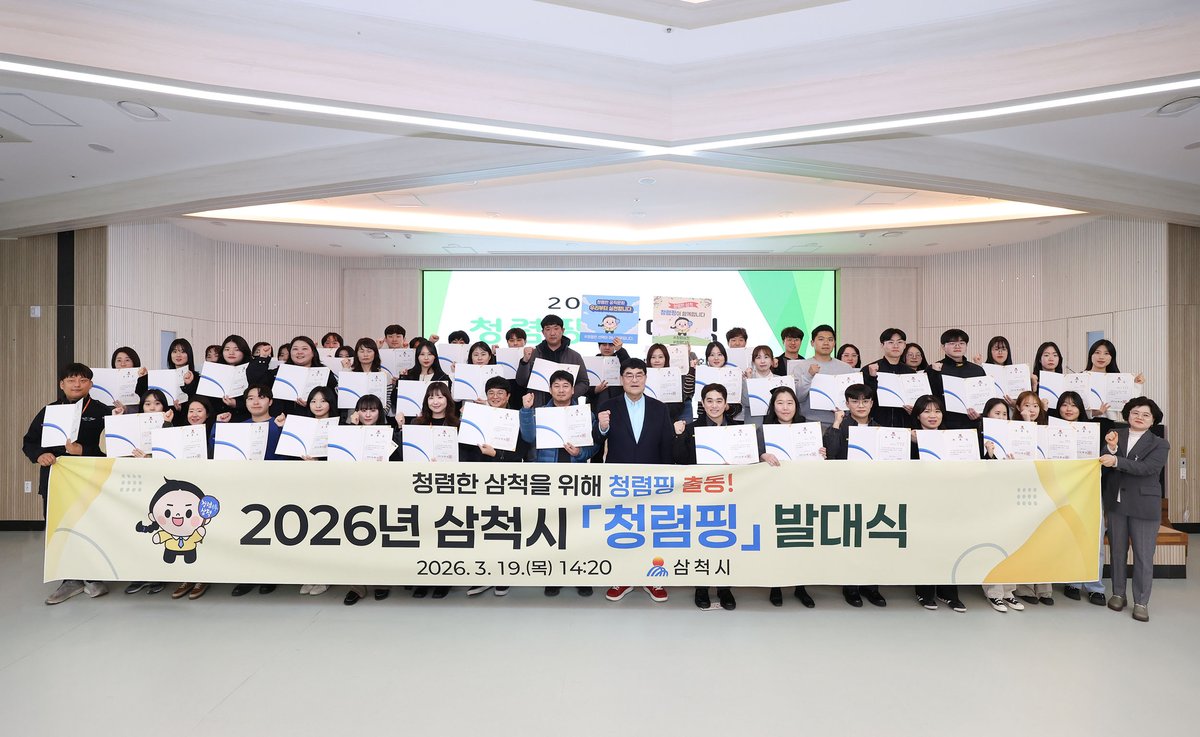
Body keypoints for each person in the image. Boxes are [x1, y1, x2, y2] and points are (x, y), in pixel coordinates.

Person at [23, 363, 123, 605]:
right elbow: (29, 441)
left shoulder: (102, 411)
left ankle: (93, 576)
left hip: (91, 478)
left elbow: (114, 448)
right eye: (71, 380)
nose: (77, 384)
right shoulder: (49, 411)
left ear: (90, 384)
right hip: (56, 477)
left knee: (92, 525)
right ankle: (70, 580)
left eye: (82, 380)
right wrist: (39, 455)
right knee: (60, 528)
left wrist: (83, 450)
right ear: (62, 384)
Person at [595, 359, 673, 604]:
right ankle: (623, 577)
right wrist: (602, 427)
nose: (634, 379)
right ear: (621, 379)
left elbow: (667, 446)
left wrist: (667, 481)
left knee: (651, 529)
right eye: (629, 375)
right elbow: (596, 440)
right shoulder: (608, 406)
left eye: (639, 374)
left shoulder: (660, 408)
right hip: (619, 480)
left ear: (646, 378)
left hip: (652, 480)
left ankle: (653, 578)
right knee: (622, 530)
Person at [518, 370, 596, 598]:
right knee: (551, 529)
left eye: (565, 386)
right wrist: (526, 410)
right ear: (550, 389)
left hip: (575, 480)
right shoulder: (540, 412)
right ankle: (554, 575)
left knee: (577, 530)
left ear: (573, 389)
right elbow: (529, 438)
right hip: (548, 479)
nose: (561, 390)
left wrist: (580, 453)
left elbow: (593, 447)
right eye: (556, 386)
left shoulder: (584, 414)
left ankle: (581, 575)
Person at [759, 385, 836, 607]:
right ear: (773, 406)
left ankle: (800, 586)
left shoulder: (809, 429)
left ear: (796, 405)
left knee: (800, 539)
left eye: (789, 403)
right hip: (774, 492)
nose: (785, 407)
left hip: (802, 491)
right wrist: (762, 455)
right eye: (780, 403)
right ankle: (775, 586)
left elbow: (821, 462)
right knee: (776, 539)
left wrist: (822, 453)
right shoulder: (763, 430)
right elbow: (751, 458)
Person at [1100, 397, 1169, 622]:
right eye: (1135, 412)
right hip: (1116, 503)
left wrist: (1116, 461)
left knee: (1143, 555)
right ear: (1128, 414)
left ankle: (1141, 601)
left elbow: (1148, 468)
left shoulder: (1160, 443)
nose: (1139, 417)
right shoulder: (1114, 434)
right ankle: (1118, 594)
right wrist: (1111, 448)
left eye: (1146, 415)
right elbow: (1103, 461)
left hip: (1144, 505)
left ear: (1153, 420)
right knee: (1117, 551)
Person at [673, 383, 740, 611]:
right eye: (709, 401)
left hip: (731, 493)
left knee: (727, 540)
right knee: (702, 540)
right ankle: (701, 587)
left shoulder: (739, 430)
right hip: (701, 494)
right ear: (702, 404)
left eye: (719, 401)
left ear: (726, 404)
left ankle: (724, 588)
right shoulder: (692, 428)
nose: (714, 405)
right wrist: (678, 435)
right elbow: (680, 460)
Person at [821, 383, 887, 608]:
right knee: (851, 539)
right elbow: (831, 454)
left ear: (872, 403)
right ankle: (850, 587)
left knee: (873, 539)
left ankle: (871, 587)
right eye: (855, 401)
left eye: (865, 401)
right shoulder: (841, 426)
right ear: (847, 404)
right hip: (846, 489)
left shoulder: (880, 429)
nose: (861, 405)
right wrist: (836, 423)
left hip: (873, 491)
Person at [343, 393, 403, 606]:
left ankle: (381, 582)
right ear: (356, 412)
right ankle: (356, 585)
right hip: (354, 492)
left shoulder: (389, 433)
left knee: (380, 537)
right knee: (354, 538)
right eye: (363, 410)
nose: (368, 414)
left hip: (382, 491)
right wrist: (351, 428)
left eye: (372, 410)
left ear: (380, 412)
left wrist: (399, 431)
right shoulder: (348, 432)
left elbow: (398, 462)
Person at [909, 394, 967, 613]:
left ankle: (948, 592)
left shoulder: (953, 438)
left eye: (937, 411)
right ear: (917, 415)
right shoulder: (908, 439)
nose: (932, 415)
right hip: (921, 499)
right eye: (926, 411)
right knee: (925, 545)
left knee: (949, 545)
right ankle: (924, 591)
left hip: (949, 498)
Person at [229, 384, 284, 598]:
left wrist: (282, 429)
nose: (255, 401)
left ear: (270, 401)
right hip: (245, 487)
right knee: (247, 532)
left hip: (274, 486)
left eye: (261, 397)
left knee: (272, 532)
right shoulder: (239, 428)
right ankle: (248, 576)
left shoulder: (280, 424)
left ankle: (270, 576)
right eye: (251, 398)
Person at [1054, 391, 1108, 607]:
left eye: (1073, 405)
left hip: (1089, 490)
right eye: (1064, 405)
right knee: (1068, 536)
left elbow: (1106, 454)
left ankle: (1095, 587)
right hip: (1061, 491)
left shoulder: (1093, 430)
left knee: (1094, 538)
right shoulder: (1050, 430)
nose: (1068, 409)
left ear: (1081, 409)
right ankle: (1072, 582)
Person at [977, 398, 1028, 613]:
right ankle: (994, 593)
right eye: (996, 413)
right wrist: (989, 455)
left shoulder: (1014, 436)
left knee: (1010, 543)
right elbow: (976, 470)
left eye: (1004, 414)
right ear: (986, 415)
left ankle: (1009, 591)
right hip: (989, 498)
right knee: (993, 544)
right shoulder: (978, 438)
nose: (1001, 417)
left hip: (1011, 496)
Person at [409, 383, 460, 600]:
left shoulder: (457, 424)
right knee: (424, 532)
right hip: (423, 486)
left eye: (440, 397)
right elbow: (407, 454)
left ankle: (444, 579)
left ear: (448, 399)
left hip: (449, 485)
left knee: (445, 532)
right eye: (431, 397)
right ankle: (424, 578)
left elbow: (466, 456)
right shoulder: (417, 424)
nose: (435, 401)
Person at [168, 397, 220, 601]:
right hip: (184, 491)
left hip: (208, 489)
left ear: (207, 414)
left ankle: (203, 577)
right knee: (184, 533)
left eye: (199, 411)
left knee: (204, 532)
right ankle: (188, 576)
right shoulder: (178, 433)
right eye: (191, 411)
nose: (195, 414)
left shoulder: (215, 432)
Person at [792, 324, 858, 431]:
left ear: (834, 343)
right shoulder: (801, 367)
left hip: (842, 423)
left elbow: (855, 397)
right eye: (821, 339)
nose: (826, 343)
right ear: (812, 343)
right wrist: (809, 376)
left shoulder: (846, 368)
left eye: (830, 340)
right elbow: (797, 397)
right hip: (811, 424)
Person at [514, 314, 589, 405]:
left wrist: (568, 394)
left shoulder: (574, 356)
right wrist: (524, 361)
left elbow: (584, 382)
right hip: (538, 405)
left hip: (566, 407)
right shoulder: (533, 354)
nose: (552, 333)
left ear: (563, 330)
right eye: (548, 329)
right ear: (543, 332)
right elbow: (521, 382)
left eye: (556, 328)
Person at [930, 329, 983, 431]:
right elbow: (930, 398)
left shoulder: (977, 370)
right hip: (944, 424)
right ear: (943, 347)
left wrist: (979, 415)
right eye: (952, 343)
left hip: (972, 424)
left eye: (962, 343)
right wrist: (935, 373)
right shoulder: (934, 368)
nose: (957, 346)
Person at [864, 328, 916, 429]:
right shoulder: (869, 369)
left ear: (904, 345)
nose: (896, 346)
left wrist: (915, 409)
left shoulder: (910, 373)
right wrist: (872, 378)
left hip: (904, 425)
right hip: (876, 423)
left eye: (900, 342)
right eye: (891, 342)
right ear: (882, 345)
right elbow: (864, 398)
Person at [1085, 339, 1146, 424]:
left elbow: (1128, 404)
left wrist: (1136, 385)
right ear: (1091, 355)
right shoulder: (1082, 377)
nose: (1101, 357)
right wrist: (1094, 413)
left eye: (1106, 353)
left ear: (1112, 357)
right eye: (1097, 352)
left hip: (1107, 424)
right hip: (1083, 422)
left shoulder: (1117, 379)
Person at [166, 338, 200, 409]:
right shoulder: (166, 376)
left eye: (182, 352)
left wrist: (189, 384)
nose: (178, 355)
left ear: (189, 355)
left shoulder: (196, 377)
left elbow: (199, 401)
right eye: (174, 351)